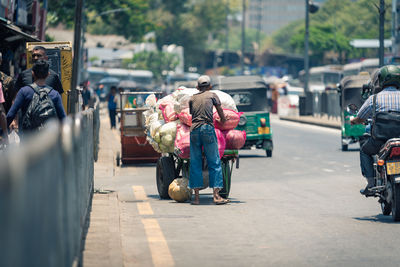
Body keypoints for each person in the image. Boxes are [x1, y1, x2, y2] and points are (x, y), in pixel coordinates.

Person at [351, 65, 400, 196]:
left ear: (381, 80)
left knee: (364, 151)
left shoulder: (374, 99)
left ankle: (371, 183)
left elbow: (361, 117)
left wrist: (353, 121)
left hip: (380, 140)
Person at [189, 75, 228, 205]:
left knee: (195, 162)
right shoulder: (212, 95)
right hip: (207, 129)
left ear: (197, 87)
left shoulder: (192, 98)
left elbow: (192, 114)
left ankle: (196, 198)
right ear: (210, 86)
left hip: (194, 130)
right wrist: (222, 120)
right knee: (214, 161)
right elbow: (220, 109)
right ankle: (216, 196)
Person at [6, 60, 66, 132]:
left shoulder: (24, 91)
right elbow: (63, 119)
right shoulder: (55, 94)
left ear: (32, 73)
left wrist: (4, 131)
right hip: (49, 138)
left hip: (28, 137)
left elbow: (11, 114)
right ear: (48, 74)